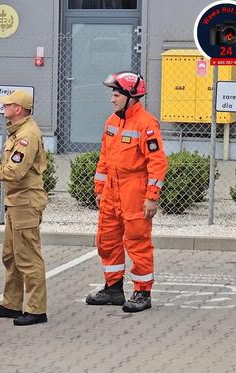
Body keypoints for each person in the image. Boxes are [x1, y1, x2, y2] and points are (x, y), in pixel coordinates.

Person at [85, 72, 167, 313]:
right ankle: (113, 288)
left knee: (138, 243)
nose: (112, 99)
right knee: (107, 241)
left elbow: (157, 163)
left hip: (134, 191)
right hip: (111, 191)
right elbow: (104, 158)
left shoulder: (146, 123)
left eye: (117, 94)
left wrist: (152, 197)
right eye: (113, 93)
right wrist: (99, 188)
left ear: (132, 96)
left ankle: (142, 292)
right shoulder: (112, 121)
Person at [0, 90, 49, 326]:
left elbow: (15, 171)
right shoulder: (18, 131)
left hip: (26, 202)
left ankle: (36, 309)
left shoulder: (27, 135)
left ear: (18, 109)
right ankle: (11, 304)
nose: (3, 108)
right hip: (16, 202)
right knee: (11, 256)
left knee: (28, 257)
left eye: (7, 105)